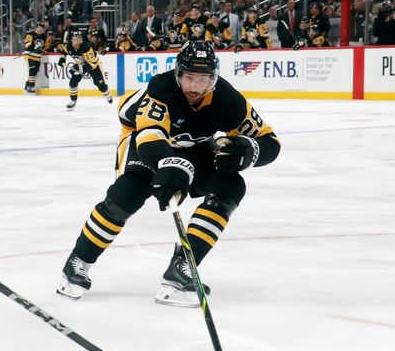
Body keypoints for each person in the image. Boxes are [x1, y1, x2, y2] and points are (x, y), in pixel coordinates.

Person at [56, 41, 281, 307]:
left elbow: (270, 141)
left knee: (230, 185)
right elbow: (150, 136)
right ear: (178, 74)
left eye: (202, 79)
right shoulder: (161, 89)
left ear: (213, 78)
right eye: (188, 78)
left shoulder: (227, 99)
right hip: (142, 140)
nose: (194, 87)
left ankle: (183, 267)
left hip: (193, 146)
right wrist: (172, 164)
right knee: (128, 194)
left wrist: (250, 150)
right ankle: (79, 260)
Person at [57, 30, 112, 111]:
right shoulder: (69, 45)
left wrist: (80, 69)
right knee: (73, 82)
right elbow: (63, 52)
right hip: (80, 64)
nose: (77, 41)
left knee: (100, 85)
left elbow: (91, 64)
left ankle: (107, 94)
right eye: (75, 39)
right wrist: (62, 59)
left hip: (93, 66)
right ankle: (73, 100)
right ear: (71, 40)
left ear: (82, 40)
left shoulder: (87, 47)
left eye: (79, 39)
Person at [22, 20, 47, 93]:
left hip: (38, 56)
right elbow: (27, 44)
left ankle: (27, 85)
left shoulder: (43, 36)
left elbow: (44, 46)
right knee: (32, 70)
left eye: (42, 28)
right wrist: (34, 45)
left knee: (35, 71)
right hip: (30, 55)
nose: (41, 29)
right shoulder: (31, 34)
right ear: (37, 28)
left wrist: (43, 49)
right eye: (40, 27)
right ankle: (31, 87)